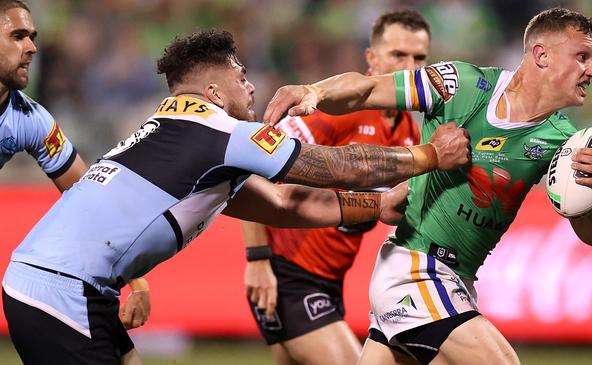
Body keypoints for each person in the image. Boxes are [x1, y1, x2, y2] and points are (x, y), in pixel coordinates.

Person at [1, 29, 470, 365]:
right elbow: (330, 166)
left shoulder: (179, 137)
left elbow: (286, 205)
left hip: (70, 286)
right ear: (212, 91)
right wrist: (428, 155)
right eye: (239, 75)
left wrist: (377, 205)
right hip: (58, 291)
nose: (249, 84)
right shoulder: (220, 130)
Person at [264, 7, 592, 365]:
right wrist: (315, 92)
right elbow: (366, 90)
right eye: (583, 57)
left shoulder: (563, 141)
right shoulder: (463, 85)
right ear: (541, 55)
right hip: (416, 268)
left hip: (455, 280)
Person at [242, 9, 429, 365]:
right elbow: (257, 168)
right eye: (398, 55)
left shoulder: (409, 130)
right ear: (371, 59)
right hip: (288, 273)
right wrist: (257, 259)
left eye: (419, 57)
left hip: (329, 280)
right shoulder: (335, 109)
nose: (410, 66)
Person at [0, 0, 150, 343]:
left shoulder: (31, 121)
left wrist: (136, 278)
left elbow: (87, 199)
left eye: (33, 36)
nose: (32, 47)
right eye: (18, 36)